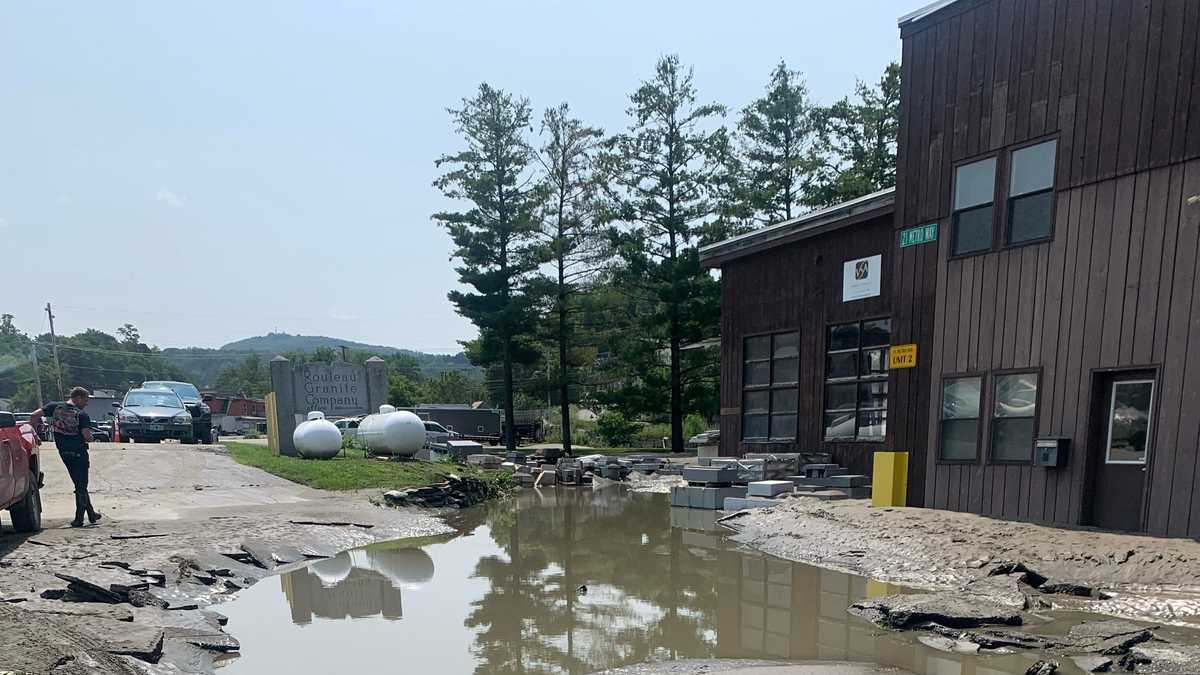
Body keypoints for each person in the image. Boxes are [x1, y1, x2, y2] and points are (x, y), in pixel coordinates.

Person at [30, 387, 102, 527]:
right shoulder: (81, 415)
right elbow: (87, 436)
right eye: (85, 400)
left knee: (78, 482)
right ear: (78, 398)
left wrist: (35, 435)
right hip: (79, 453)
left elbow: (33, 416)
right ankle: (79, 519)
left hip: (63, 452)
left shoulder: (54, 407)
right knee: (81, 485)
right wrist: (92, 438)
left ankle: (91, 514)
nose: (86, 404)